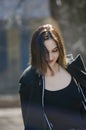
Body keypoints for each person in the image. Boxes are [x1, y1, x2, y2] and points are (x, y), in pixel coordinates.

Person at [19, 24, 86, 130]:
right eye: (45, 52)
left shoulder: (75, 69)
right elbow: (32, 125)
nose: (50, 57)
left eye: (54, 50)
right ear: (36, 52)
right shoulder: (30, 81)